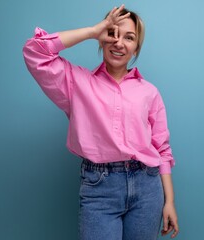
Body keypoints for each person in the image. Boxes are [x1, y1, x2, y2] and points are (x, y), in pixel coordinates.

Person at [23, 4, 179, 240]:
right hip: (100, 188)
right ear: (102, 39)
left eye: (129, 38)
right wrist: (92, 30)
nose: (119, 43)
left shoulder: (150, 92)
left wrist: (169, 202)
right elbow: (35, 51)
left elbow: (162, 150)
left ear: (136, 48)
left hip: (147, 187)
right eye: (112, 33)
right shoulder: (76, 83)